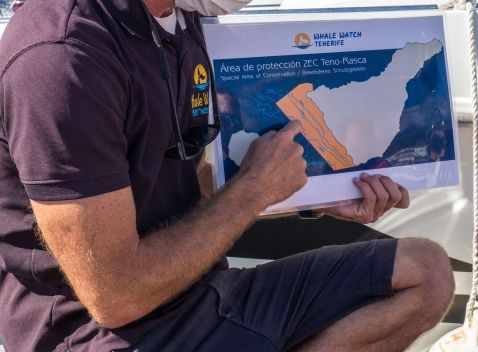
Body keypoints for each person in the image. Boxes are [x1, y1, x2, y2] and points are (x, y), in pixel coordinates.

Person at [0, 0, 455, 351]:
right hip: (101, 334)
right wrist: (254, 191)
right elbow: (114, 296)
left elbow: (191, 192)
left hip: (199, 294)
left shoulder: (178, 23)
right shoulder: (61, 59)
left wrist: (313, 195)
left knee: (425, 273)